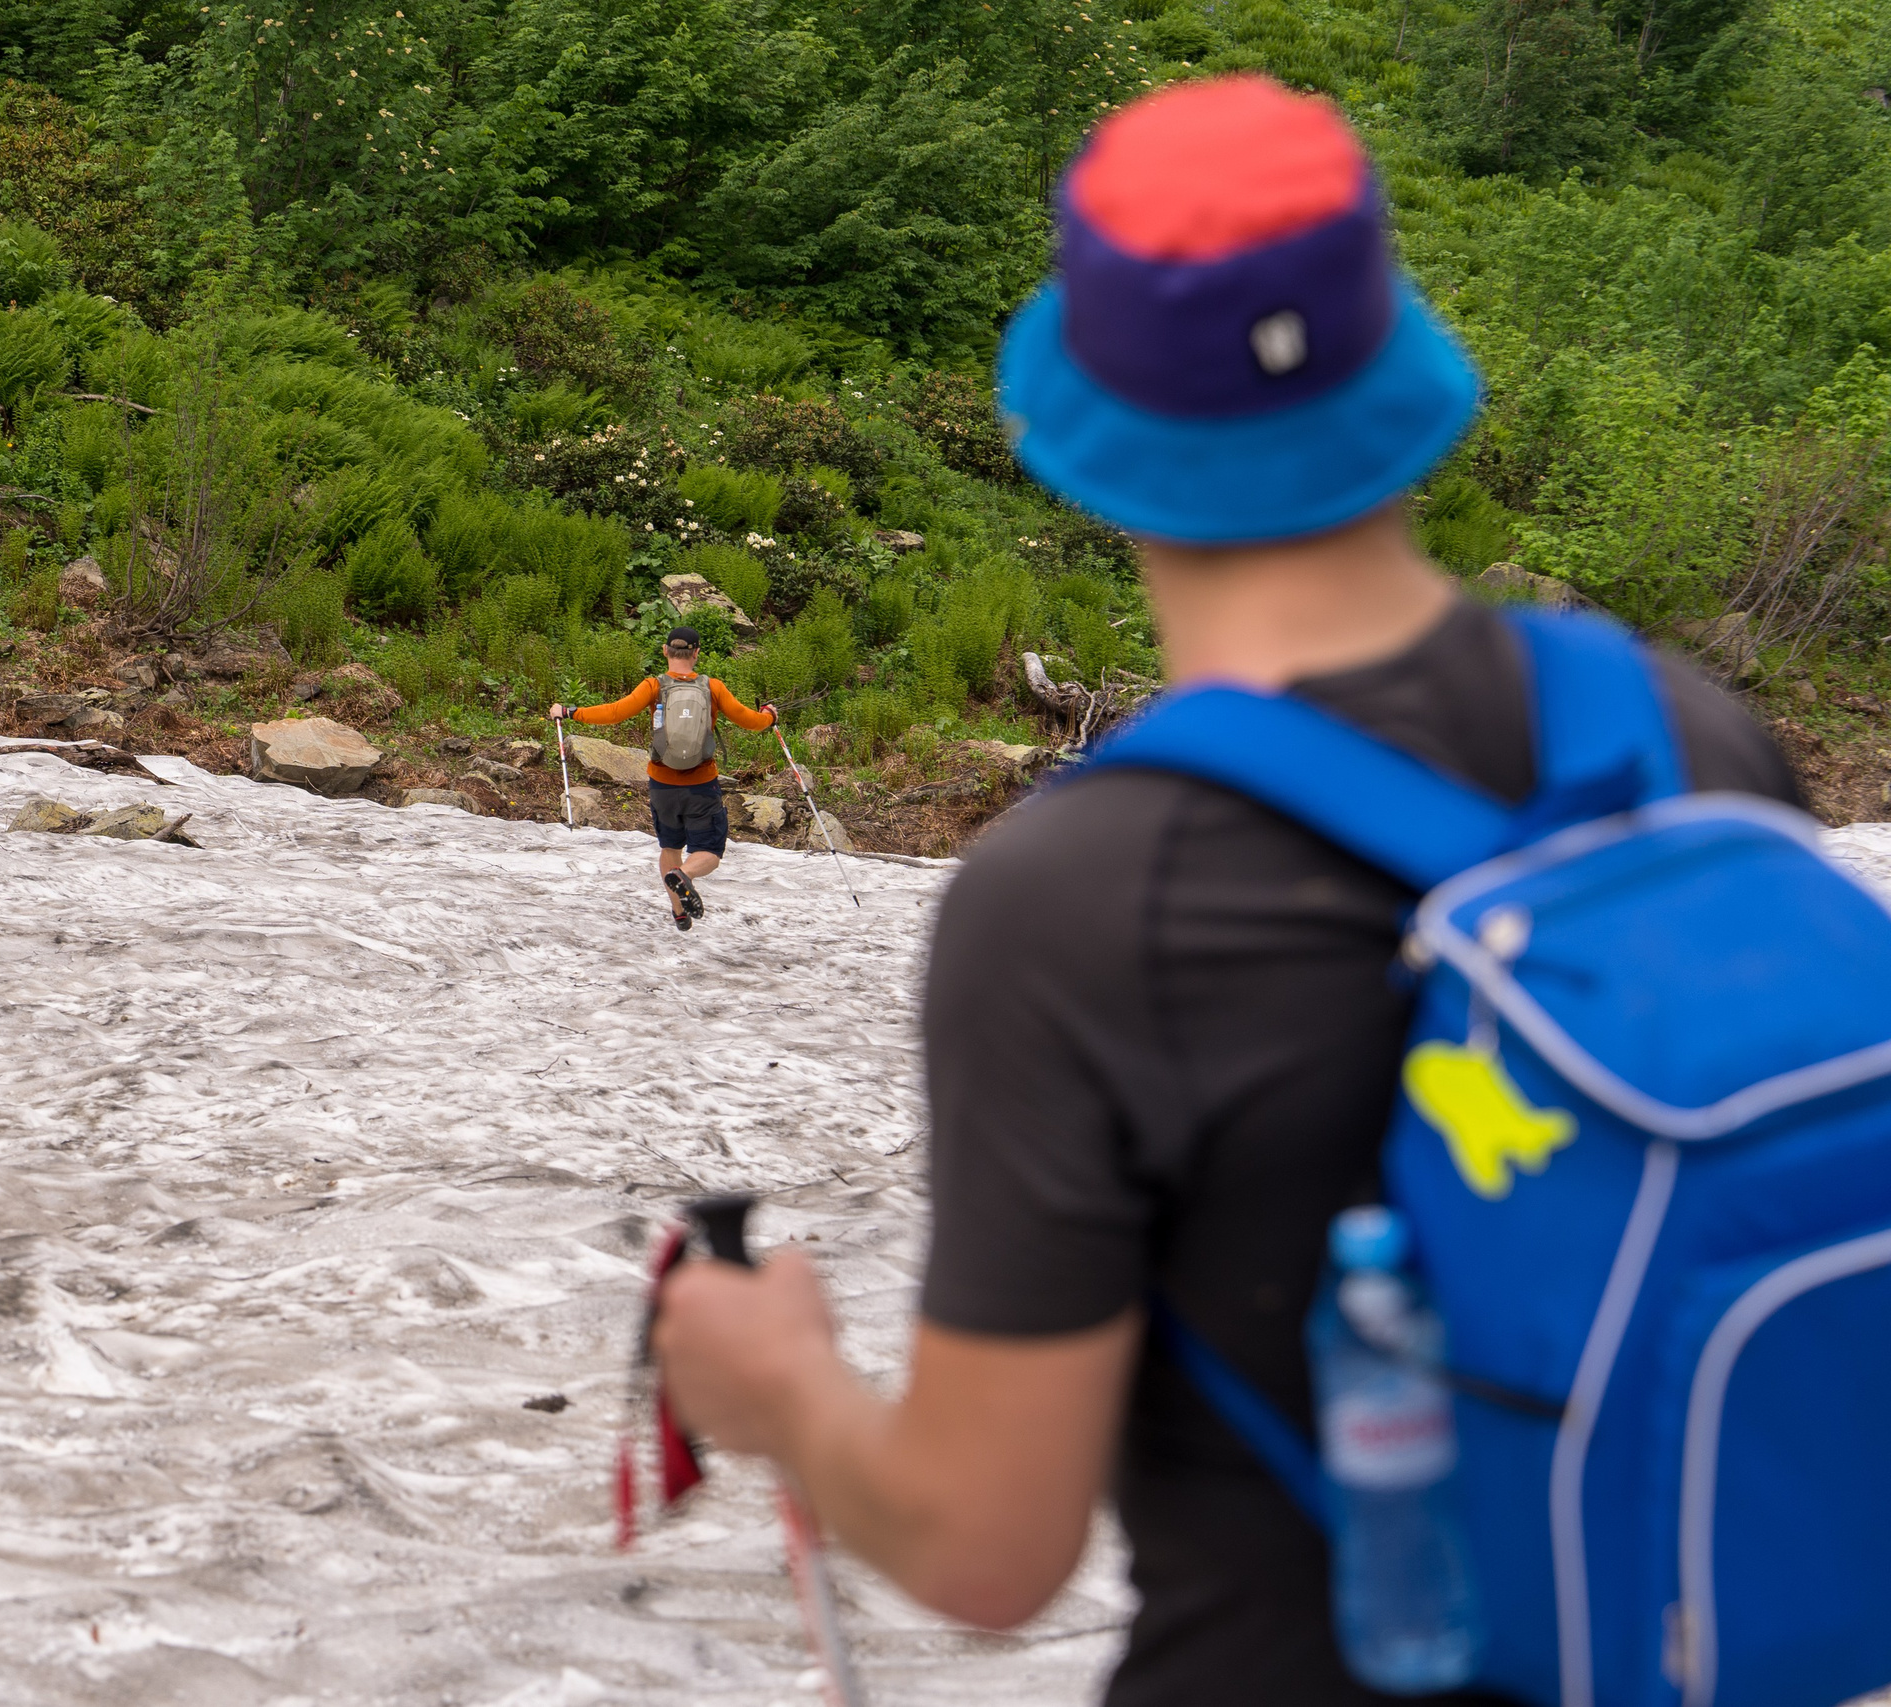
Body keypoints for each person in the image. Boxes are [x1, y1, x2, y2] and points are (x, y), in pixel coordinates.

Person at [650, 74, 1802, 1706]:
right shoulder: (1691, 736)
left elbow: (991, 1545)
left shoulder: (1071, 901)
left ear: (1093, 434)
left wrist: (784, 1388)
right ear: (1401, 365)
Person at [551, 626, 779, 932]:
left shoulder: (653, 686)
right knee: (709, 852)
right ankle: (685, 875)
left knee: (670, 848)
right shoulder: (713, 687)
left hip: (662, 785)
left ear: (665, 651)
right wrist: (769, 715)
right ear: (697, 653)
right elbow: (751, 722)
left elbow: (615, 712)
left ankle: (679, 914)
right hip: (701, 784)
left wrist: (569, 711)